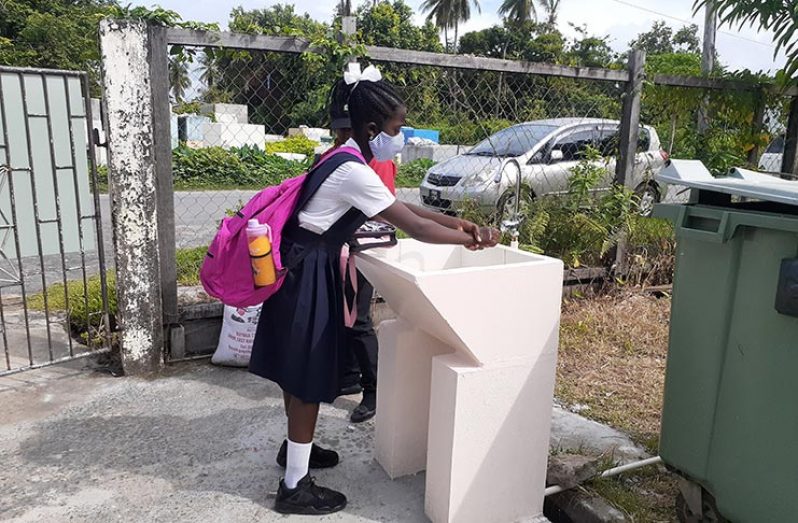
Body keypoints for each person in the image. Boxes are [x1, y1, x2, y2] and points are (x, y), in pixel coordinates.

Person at [248, 63, 499, 516]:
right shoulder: (355, 171)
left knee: (295, 372)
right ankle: (294, 487)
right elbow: (415, 226)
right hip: (311, 277)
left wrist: (459, 222)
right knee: (305, 379)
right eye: (397, 127)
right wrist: (472, 238)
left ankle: (295, 451)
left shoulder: (340, 156)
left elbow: (401, 208)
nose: (400, 134)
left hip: (301, 270)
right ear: (371, 128)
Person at [326, 84, 398, 423]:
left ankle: (373, 390)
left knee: (359, 319)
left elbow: (386, 210)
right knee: (345, 317)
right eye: (337, 131)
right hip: (340, 247)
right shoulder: (343, 155)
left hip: (362, 248)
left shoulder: (372, 161)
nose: (338, 136)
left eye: (342, 130)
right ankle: (349, 376)